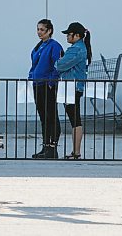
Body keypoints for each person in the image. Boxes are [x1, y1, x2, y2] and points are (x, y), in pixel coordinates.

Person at [56, 22, 92, 160]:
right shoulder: (81, 48)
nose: (67, 37)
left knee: (75, 119)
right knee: (74, 119)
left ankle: (76, 152)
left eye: (69, 34)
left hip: (71, 87)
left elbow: (60, 65)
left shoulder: (75, 49)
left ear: (77, 35)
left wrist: (58, 60)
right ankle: (75, 151)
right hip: (75, 87)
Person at [28, 19, 63, 159]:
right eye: (38, 29)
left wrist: (51, 80)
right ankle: (45, 146)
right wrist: (31, 76)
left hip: (47, 85)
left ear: (49, 31)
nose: (39, 32)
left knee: (51, 115)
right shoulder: (38, 46)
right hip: (38, 84)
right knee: (43, 116)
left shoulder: (54, 46)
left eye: (42, 30)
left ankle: (52, 147)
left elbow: (59, 65)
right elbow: (34, 64)